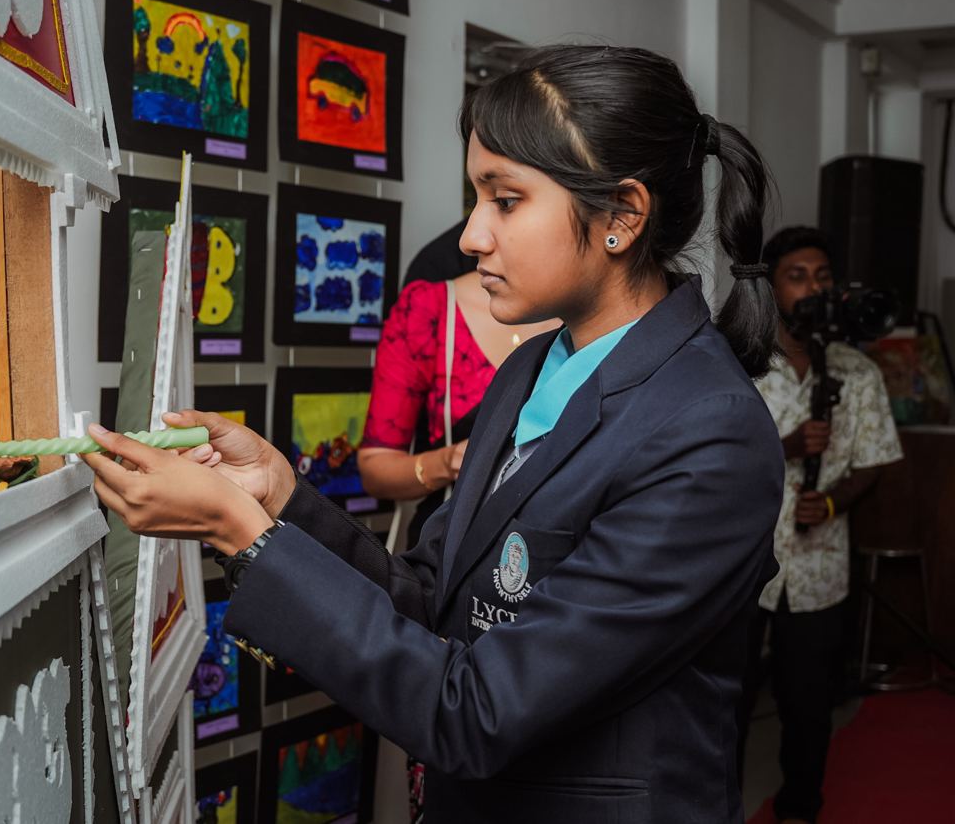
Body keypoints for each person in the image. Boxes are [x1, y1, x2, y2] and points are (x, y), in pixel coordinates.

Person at [86, 45, 785, 823]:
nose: (471, 236)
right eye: (475, 196)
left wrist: (241, 531)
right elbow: (430, 599)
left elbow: (478, 710)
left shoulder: (709, 436)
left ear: (622, 215)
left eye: (506, 199)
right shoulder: (532, 368)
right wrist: (279, 498)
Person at [736, 226, 903, 824]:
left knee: (808, 708)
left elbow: (875, 460)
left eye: (822, 276)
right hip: (741, 570)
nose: (812, 287)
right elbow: (712, 458)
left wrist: (830, 502)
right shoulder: (742, 365)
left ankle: (800, 808)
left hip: (818, 568)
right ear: (772, 287)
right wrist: (780, 447)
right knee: (726, 701)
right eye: (797, 275)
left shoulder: (857, 371)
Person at [359, 266, 558, 549]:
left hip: (558, 545)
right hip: (452, 544)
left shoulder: (596, 315)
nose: (474, 240)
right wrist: (447, 462)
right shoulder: (433, 309)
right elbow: (375, 468)